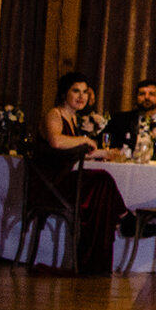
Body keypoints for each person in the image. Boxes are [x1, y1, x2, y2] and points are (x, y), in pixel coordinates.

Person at [30, 71, 128, 274]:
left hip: (62, 179)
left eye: (84, 91)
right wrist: (84, 140)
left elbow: (73, 152)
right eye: (76, 91)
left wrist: (105, 152)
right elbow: (56, 142)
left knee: (101, 185)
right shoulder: (54, 114)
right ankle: (125, 219)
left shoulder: (73, 119)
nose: (81, 96)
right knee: (102, 179)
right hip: (49, 184)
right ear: (65, 93)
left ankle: (99, 252)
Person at [102, 77, 156, 162]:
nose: (146, 97)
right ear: (136, 97)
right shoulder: (119, 120)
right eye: (142, 94)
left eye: (151, 94)